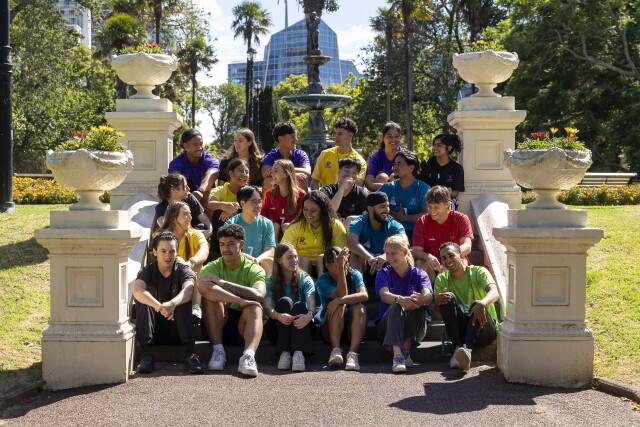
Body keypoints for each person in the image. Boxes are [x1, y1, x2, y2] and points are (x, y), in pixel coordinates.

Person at [197, 224, 266, 377]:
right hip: (217, 325)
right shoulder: (212, 267)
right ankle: (218, 351)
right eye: (222, 244)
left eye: (230, 244)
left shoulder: (254, 269)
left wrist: (223, 283)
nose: (225, 249)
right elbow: (202, 286)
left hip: (244, 328)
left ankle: (248, 356)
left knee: (255, 307)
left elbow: (259, 294)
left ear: (241, 244)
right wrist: (238, 299)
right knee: (210, 299)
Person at [132, 231, 204, 374]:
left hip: (178, 330)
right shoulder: (148, 270)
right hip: (154, 331)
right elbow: (137, 290)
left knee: (182, 300)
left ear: (177, 252)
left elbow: (189, 290)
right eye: (163, 251)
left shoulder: (183, 269)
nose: (168, 256)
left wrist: (172, 304)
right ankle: (147, 355)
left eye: (172, 251)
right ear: (154, 252)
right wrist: (160, 307)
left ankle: (190, 355)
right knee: (144, 301)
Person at [434, 242, 499, 372]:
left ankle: (467, 350)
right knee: (447, 297)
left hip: (484, 330)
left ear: (461, 255)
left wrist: (482, 303)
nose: (448, 260)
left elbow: (494, 292)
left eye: (451, 255)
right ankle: (458, 349)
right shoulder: (441, 279)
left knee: (476, 304)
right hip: (461, 332)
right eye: (444, 258)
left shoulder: (478, 271)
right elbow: (440, 315)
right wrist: (437, 303)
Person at [375, 235, 433, 373]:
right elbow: (384, 295)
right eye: (387, 254)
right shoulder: (383, 273)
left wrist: (422, 299)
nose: (389, 257)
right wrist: (400, 299)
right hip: (387, 328)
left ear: (405, 252)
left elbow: (428, 295)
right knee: (396, 303)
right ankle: (397, 355)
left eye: (393, 253)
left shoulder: (419, 274)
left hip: (415, 329)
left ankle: (405, 350)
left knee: (414, 299)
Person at [263, 243, 316, 371]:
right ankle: (285, 353)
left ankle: (298, 354)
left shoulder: (305, 278)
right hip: (278, 327)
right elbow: (267, 308)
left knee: (299, 306)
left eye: (295, 257)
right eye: (290, 257)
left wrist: (309, 315)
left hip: (302, 325)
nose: (294, 260)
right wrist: (278, 316)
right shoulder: (270, 281)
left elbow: (311, 302)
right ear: (279, 260)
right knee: (285, 302)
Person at [316, 246, 368, 371]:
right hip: (330, 329)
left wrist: (339, 300)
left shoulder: (354, 273)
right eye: (338, 264)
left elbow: (364, 295)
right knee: (339, 306)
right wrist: (341, 270)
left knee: (360, 307)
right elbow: (341, 293)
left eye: (345, 262)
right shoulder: (322, 280)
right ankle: (335, 350)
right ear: (328, 266)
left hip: (352, 328)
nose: (344, 266)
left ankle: (352, 354)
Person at [159, 201, 210, 323]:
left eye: (190, 214)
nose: (190, 217)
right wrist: (180, 262)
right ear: (174, 218)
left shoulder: (194, 234)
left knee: (197, 264)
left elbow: (204, 250)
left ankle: (195, 307)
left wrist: (191, 263)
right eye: (185, 214)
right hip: (167, 277)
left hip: (189, 277)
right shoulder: (161, 236)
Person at [412, 185, 473, 283]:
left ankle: (457, 290)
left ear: (447, 204)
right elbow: (416, 251)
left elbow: (467, 246)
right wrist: (427, 256)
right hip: (433, 265)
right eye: (429, 206)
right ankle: (426, 291)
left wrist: (449, 258)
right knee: (419, 263)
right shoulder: (422, 222)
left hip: (453, 262)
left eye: (436, 207)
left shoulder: (461, 219)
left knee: (461, 261)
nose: (432, 211)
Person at [347, 192, 406, 287]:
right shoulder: (359, 222)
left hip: (386, 264)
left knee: (397, 254)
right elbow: (351, 241)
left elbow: (404, 242)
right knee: (355, 255)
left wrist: (385, 256)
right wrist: (369, 258)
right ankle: (357, 290)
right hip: (365, 265)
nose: (387, 210)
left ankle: (393, 290)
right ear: (370, 209)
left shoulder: (393, 224)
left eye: (388, 206)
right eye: (382, 207)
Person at [281, 191, 347, 276]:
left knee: (321, 258)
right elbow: (284, 253)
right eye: (305, 209)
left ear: (323, 211)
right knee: (303, 259)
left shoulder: (335, 226)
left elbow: (342, 253)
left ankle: (321, 284)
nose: (308, 214)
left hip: (327, 267)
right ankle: (302, 284)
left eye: (313, 210)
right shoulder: (296, 227)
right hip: (300, 266)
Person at [378, 150, 430, 242]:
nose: (395, 167)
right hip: (389, 233)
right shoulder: (387, 187)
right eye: (394, 164)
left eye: (399, 164)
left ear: (411, 168)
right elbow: (372, 206)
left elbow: (428, 214)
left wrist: (403, 218)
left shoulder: (423, 189)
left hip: (416, 234)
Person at [225, 186, 276, 275]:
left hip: (258, 265)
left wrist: (256, 260)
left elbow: (270, 250)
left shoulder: (267, 224)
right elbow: (229, 250)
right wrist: (250, 260)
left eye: (260, 201)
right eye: (254, 202)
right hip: (238, 264)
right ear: (242, 203)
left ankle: (267, 285)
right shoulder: (231, 224)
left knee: (269, 261)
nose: (258, 205)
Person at [310, 118, 367, 189]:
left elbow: (358, 185)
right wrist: (317, 195)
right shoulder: (325, 154)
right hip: (326, 195)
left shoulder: (359, 160)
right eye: (335, 133)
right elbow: (314, 181)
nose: (336, 137)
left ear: (351, 135)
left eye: (340, 134)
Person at [168, 128, 219, 203]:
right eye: (195, 145)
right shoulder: (176, 163)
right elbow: (176, 182)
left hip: (205, 200)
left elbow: (212, 175)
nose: (199, 148)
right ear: (185, 145)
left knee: (209, 190)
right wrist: (190, 198)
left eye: (201, 144)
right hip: (185, 200)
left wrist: (201, 190)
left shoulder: (211, 160)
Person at [260, 159, 306, 240]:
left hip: (294, 236)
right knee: (275, 226)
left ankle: (287, 247)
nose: (272, 174)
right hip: (272, 235)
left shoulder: (301, 195)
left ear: (286, 174)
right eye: (272, 171)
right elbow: (263, 217)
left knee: (286, 226)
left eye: (276, 171)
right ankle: (273, 247)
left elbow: (303, 220)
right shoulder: (269, 194)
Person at [155, 173, 212, 238]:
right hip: (177, 239)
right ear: (173, 189)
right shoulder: (161, 208)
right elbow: (164, 226)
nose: (188, 189)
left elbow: (205, 219)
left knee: (202, 226)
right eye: (185, 187)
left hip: (196, 236)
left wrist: (209, 230)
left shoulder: (189, 198)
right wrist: (191, 234)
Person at [319, 157, 369, 230]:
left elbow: (367, 218)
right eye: (346, 171)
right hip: (331, 230)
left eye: (354, 172)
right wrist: (342, 188)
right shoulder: (326, 191)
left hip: (352, 232)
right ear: (339, 172)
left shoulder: (362, 193)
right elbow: (328, 212)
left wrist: (351, 219)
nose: (350, 175)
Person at [417, 133, 464, 210]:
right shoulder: (425, 164)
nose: (435, 148)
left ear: (449, 148)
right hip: (427, 205)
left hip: (446, 206)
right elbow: (419, 186)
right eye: (434, 145)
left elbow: (455, 193)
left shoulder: (457, 168)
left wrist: (450, 193)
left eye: (439, 145)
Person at [262, 122, 311, 193]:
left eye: (296, 137)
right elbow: (264, 173)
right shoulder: (271, 155)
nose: (296, 140)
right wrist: (293, 174)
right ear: (280, 139)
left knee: (301, 179)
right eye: (292, 137)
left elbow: (307, 172)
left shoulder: (300, 154)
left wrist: (281, 170)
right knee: (268, 181)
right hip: (278, 187)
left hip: (293, 188)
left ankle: (302, 201)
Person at [365, 122, 405, 191]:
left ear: (400, 138)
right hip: (381, 193)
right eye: (389, 136)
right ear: (383, 137)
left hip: (402, 191)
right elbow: (369, 182)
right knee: (382, 177)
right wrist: (387, 188)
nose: (393, 140)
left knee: (394, 177)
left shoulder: (407, 156)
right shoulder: (374, 158)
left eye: (396, 136)